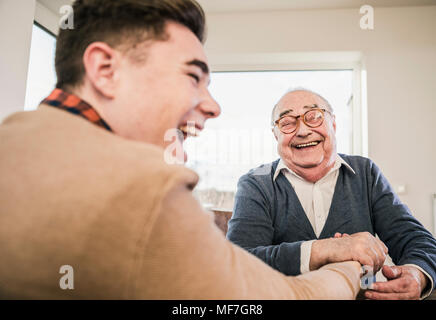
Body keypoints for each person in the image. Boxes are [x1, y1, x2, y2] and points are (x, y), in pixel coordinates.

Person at [0, 0, 362, 299]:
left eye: (314, 117)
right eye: (193, 76)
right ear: (105, 69)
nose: (213, 106)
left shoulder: (14, 141)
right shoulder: (143, 188)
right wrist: (349, 264)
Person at [227, 88, 436, 300]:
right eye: (288, 122)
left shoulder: (365, 171)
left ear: (333, 123)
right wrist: (327, 249)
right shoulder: (255, 183)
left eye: (314, 117)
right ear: (275, 134)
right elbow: (238, 261)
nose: (302, 131)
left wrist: (418, 274)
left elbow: (415, 238)